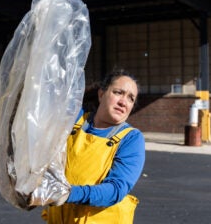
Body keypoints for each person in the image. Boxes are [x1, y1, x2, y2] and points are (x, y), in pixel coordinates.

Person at [44, 69, 145, 224]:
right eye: (118, 92)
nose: (123, 102)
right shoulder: (74, 120)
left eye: (131, 98)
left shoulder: (131, 139)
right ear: (101, 94)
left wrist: (67, 193)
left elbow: (115, 189)